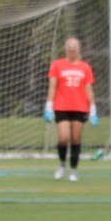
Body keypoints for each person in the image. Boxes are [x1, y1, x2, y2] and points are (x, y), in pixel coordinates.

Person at [43, 37, 97, 182]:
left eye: (75, 46)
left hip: (79, 107)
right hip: (61, 106)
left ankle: (73, 170)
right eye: (69, 46)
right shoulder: (57, 65)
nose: (72, 48)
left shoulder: (85, 67)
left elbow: (89, 89)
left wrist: (93, 110)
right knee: (63, 138)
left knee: (75, 139)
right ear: (65, 48)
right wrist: (48, 106)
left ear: (79, 48)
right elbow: (52, 86)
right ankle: (62, 164)